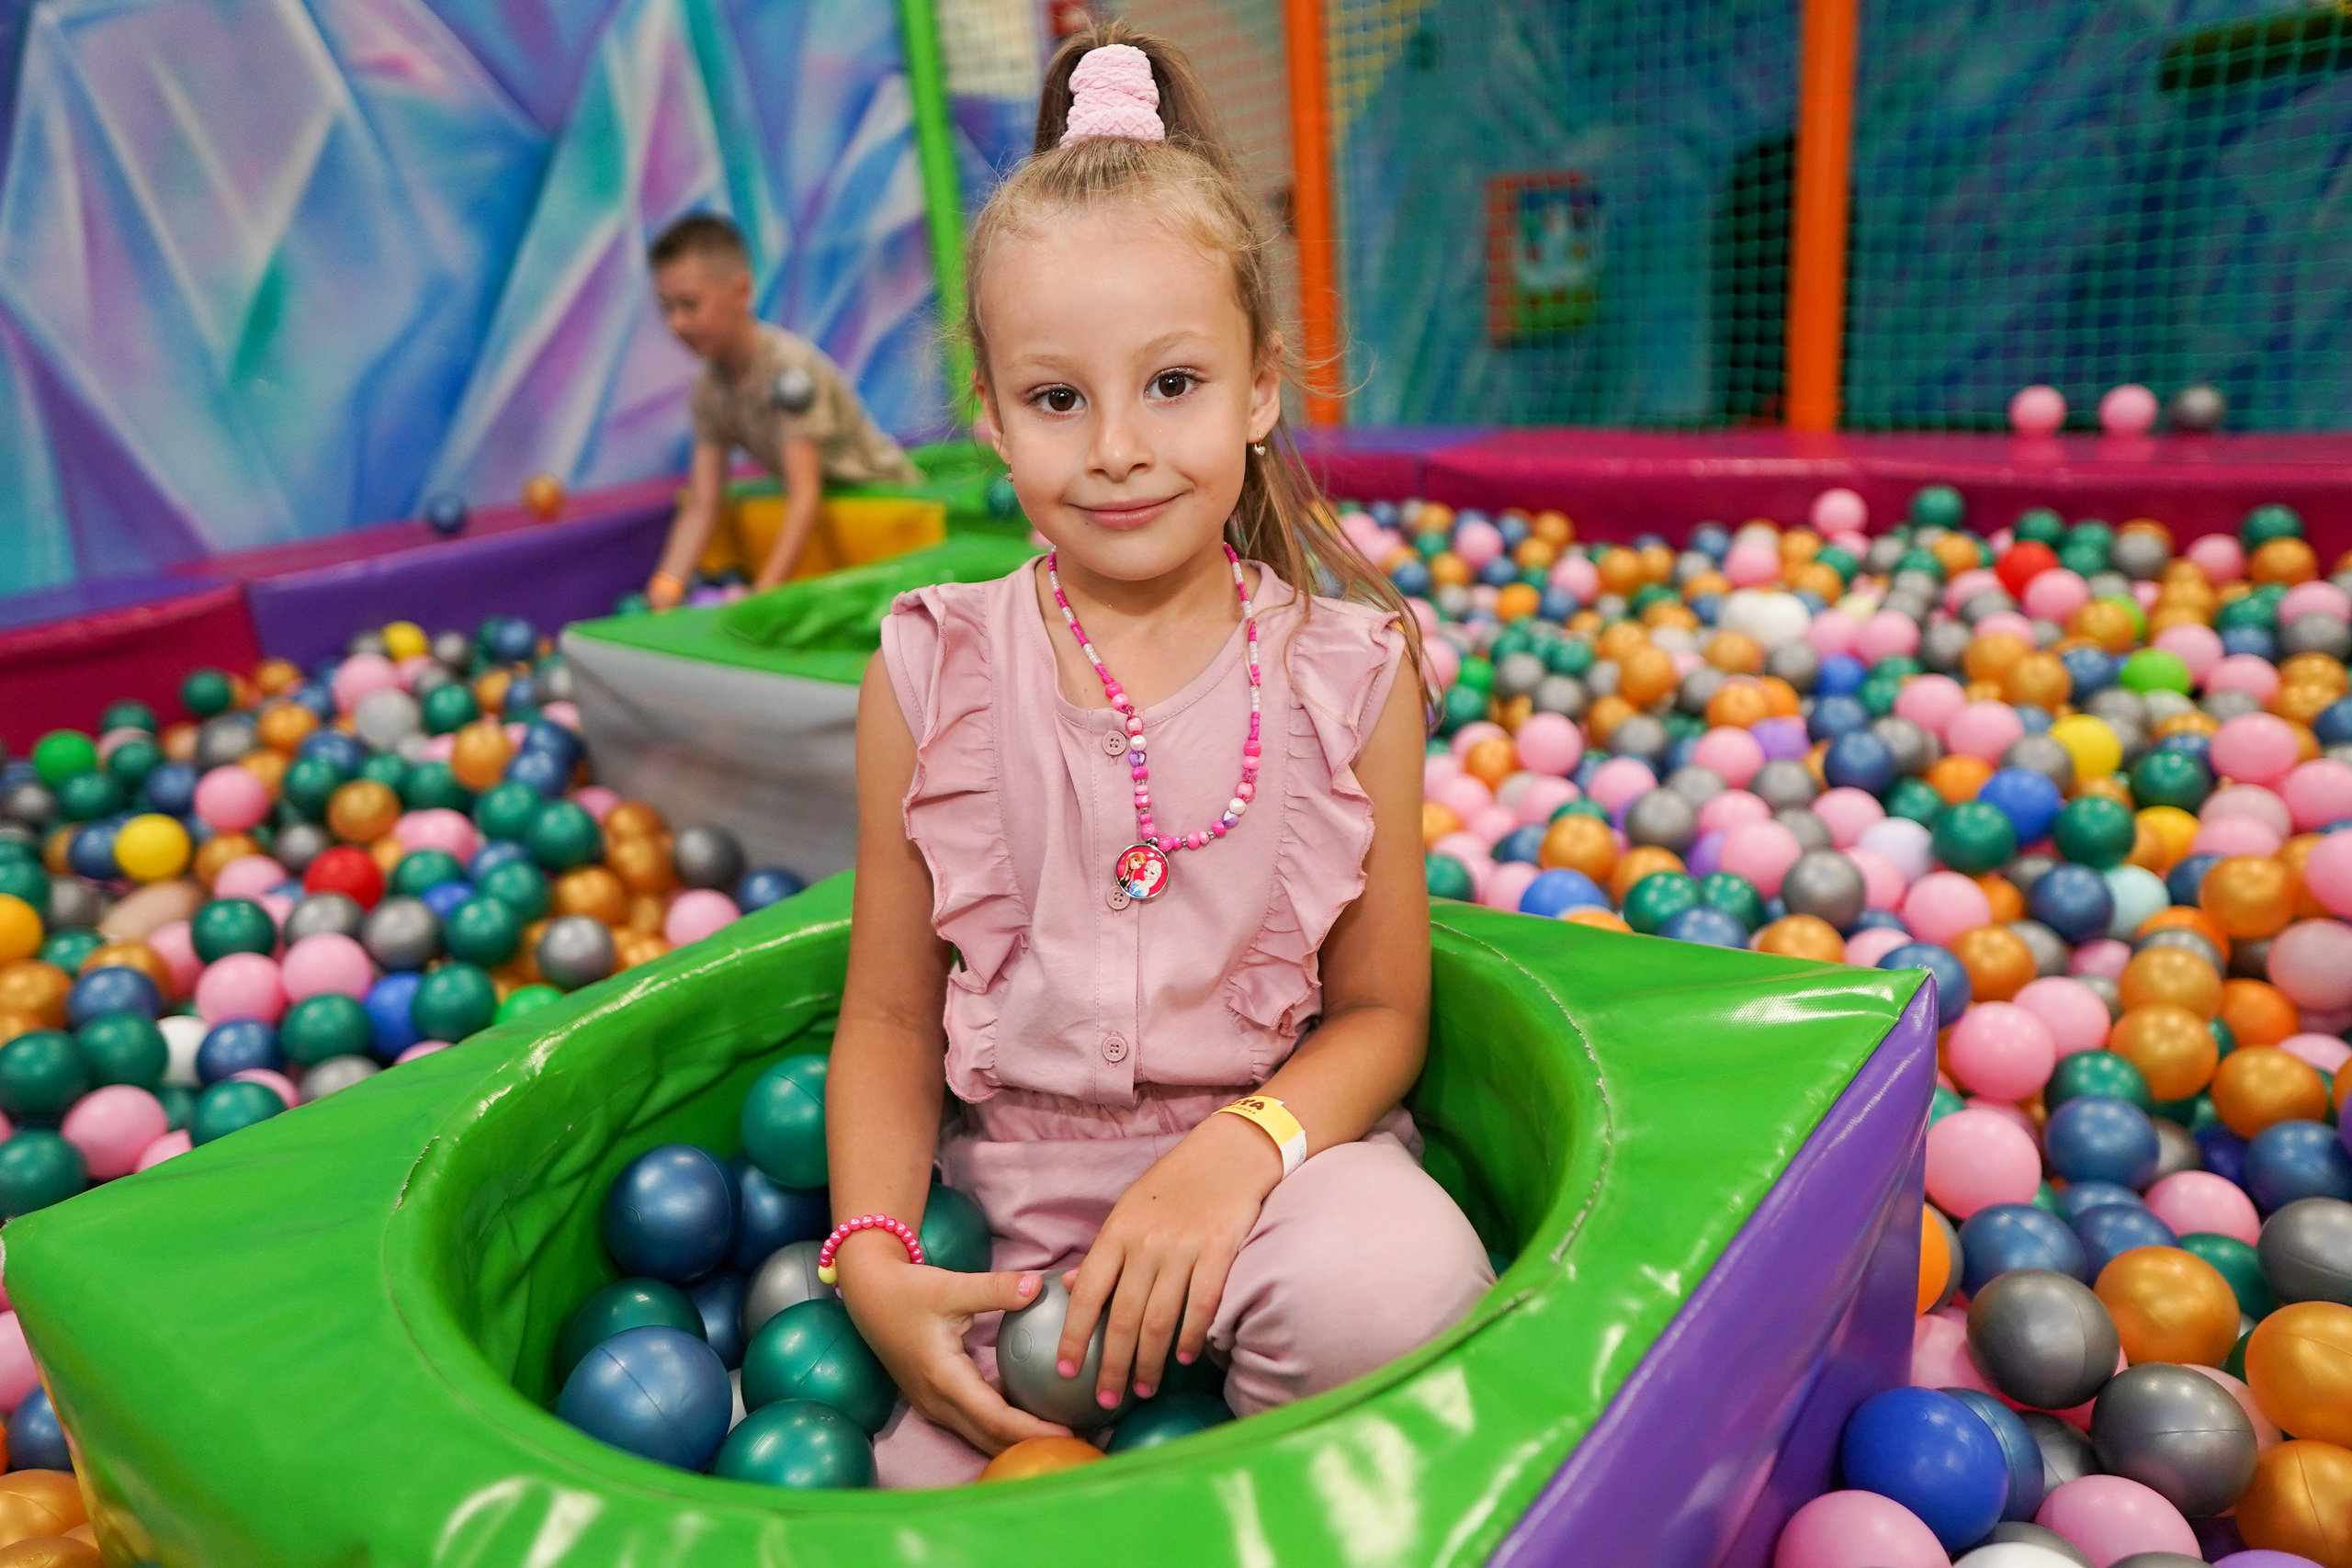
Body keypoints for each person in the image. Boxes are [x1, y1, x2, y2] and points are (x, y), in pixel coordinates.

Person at [825, 23, 1492, 1487]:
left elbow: (1382, 1013)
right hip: (1011, 1243)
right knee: (911, 1491)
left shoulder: (1349, 671)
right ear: (993, 416)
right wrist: (875, 1256)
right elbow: (885, 1018)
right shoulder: (929, 667)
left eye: (1174, 384)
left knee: (1394, 1289)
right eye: (1060, 398)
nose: (1119, 446)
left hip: (1273, 1181)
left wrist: (1239, 1150)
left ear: (1262, 387)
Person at [641, 214, 921, 609]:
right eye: (666, 309)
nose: (677, 324)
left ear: (741, 291)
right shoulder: (709, 388)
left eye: (689, 305)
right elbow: (705, 502)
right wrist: (666, 585)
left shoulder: (788, 373)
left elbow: (805, 494)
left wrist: (762, 596)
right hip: (831, 503)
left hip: (883, 496)